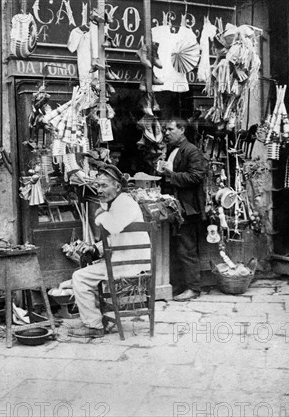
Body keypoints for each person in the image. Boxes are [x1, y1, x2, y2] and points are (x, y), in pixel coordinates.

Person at [69, 165, 150, 338]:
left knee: (80, 277)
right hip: (124, 260)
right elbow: (114, 238)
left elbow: (113, 226)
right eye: (98, 186)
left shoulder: (126, 203)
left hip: (129, 264)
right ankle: (97, 317)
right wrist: (95, 248)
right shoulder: (114, 205)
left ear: (118, 187)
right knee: (86, 272)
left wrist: (99, 214)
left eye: (104, 186)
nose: (99, 190)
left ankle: (94, 325)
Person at [157, 118, 207, 301]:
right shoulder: (173, 150)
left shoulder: (192, 150)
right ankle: (179, 284)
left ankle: (194, 288)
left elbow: (197, 177)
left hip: (188, 208)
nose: (167, 133)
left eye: (170, 129)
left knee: (187, 248)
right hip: (176, 207)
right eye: (165, 130)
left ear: (182, 130)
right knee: (177, 248)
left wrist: (172, 175)